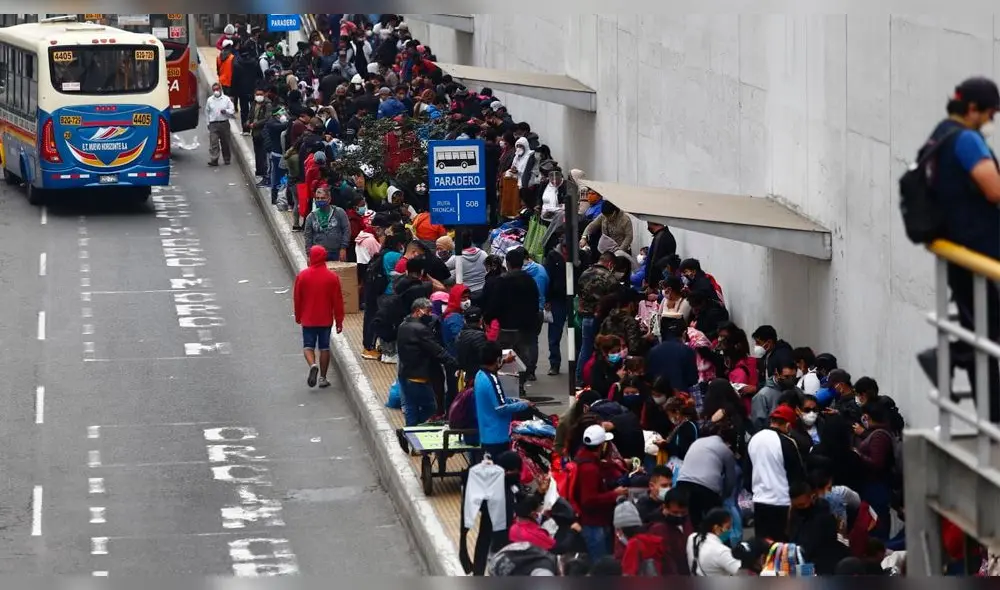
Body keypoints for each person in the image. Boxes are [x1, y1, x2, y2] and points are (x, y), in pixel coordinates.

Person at [916, 77, 1000, 423]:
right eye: (989, 114)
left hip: (955, 250)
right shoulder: (966, 140)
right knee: (988, 333)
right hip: (977, 251)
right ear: (972, 109)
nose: (990, 122)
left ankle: (991, 415)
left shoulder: (939, 134)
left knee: (981, 329)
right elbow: (993, 190)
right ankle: (947, 356)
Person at [747, 404, 806, 542]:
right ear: (788, 425)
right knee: (782, 549)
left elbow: (747, 475)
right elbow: (797, 475)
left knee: (763, 547)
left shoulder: (753, 439)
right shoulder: (787, 442)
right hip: (783, 504)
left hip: (759, 501)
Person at [485, 248, 541, 387]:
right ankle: (520, 384)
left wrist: (488, 318)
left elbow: (495, 303)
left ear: (508, 263)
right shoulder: (530, 280)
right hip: (525, 327)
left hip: (507, 327)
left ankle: (508, 385)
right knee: (522, 356)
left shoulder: (502, 281)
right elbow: (535, 302)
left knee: (505, 355)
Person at [396, 298, 457, 426]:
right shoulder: (420, 329)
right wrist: (455, 362)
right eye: (428, 312)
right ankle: (419, 427)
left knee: (411, 407)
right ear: (418, 311)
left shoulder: (403, 325)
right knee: (431, 407)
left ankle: (410, 432)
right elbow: (436, 350)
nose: (430, 315)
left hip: (405, 374)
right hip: (418, 376)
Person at [572, 424, 628, 560]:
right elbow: (588, 500)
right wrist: (615, 494)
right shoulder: (589, 469)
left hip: (596, 522)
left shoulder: (585, 460)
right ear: (602, 445)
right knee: (600, 563)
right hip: (593, 524)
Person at [293, 245, 345, 388]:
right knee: (324, 348)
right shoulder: (332, 277)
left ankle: (312, 364)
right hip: (325, 319)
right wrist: (339, 321)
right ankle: (322, 378)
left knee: (308, 346)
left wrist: (298, 316)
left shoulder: (302, 276)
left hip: (308, 318)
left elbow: (297, 299)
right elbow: (338, 301)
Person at [470, 342, 531, 456]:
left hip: (486, 436)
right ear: (497, 359)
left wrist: (515, 401)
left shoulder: (479, 375)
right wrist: (524, 405)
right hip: (498, 437)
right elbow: (501, 408)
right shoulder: (492, 380)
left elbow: (498, 399)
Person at [675, 428, 738, 529]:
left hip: (683, 483)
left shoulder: (697, 442)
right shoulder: (725, 449)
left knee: (691, 520)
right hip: (707, 488)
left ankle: (693, 540)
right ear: (729, 443)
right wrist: (724, 496)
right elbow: (730, 480)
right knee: (716, 521)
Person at [787, 480, 849, 575]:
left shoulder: (826, 518)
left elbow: (833, 547)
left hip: (823, 569)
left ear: (812, 498)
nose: (799, 508)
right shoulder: (795, 514)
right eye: (795, 506)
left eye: (802, 505)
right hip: (801, 566)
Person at [576, 251, 619, 381]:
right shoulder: (609, 277)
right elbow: (614, 298)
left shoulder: (584, 274)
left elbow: (580, 295)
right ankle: (598, 377)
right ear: (610, 263)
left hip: (586, 316)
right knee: (602, 348)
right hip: (602, 318)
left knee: (585, 347)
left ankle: (580, 378)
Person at [645, 487, 694, 575]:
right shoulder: (658, 529)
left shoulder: (687, 521)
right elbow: (665, 563)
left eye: (683, 513)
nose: (679, 516)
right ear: (665, 507)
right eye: (675, 512)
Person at [646, 314, 698, 395]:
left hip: (659, 396)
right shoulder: (687, 350)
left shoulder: (652, 351)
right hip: (680, 397)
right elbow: (692, 379)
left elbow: (649, 377)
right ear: (684, 333)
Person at [750, 353, 798, 433]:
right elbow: (758, 425)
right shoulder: (763, 395)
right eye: (786, 377)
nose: (790, 380)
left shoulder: (797, 391)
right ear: (777, 374)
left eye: (793, 377)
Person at [686, 507, 743, 576]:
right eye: (728, 527)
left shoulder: (692, 538)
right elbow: (744, 573)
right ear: (716, 528)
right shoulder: (721, 552)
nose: (730, 530)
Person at [303, 185, 351, 262]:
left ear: (329, 199)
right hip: (318, 255)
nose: (320, 200)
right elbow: (308, 237)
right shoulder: (311, 217)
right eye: (317, 198)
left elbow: (346, 230)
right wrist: (309, 255)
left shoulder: (339, 212)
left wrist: (343, 248)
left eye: (322, 198)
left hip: (336, 252)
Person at [246, 84, 272, 185]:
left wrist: (255, 124)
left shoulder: (267, 105)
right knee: (257, 153)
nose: (258, 96)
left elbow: (267, 118)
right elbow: (250, 115)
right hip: (254, 132)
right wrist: (248, 122)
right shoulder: (254, 103)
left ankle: (264, 173)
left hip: (262, 132)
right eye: (257, 94)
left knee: (263, 154)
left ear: (264, 94)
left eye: (260, 94)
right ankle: (259, 171)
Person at [204, 82, 235, 166]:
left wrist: (226, 111)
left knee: (225, 143)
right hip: (213, 124)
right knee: (213, 142)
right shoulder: (210, 100)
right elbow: (207, 112)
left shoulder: (226, 99)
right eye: (214, 90)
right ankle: (214, 159)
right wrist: (208, 123)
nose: (216, 91)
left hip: (224, 123)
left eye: (217, 89)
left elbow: (232, 109)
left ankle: (227, 158)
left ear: (220, 89)